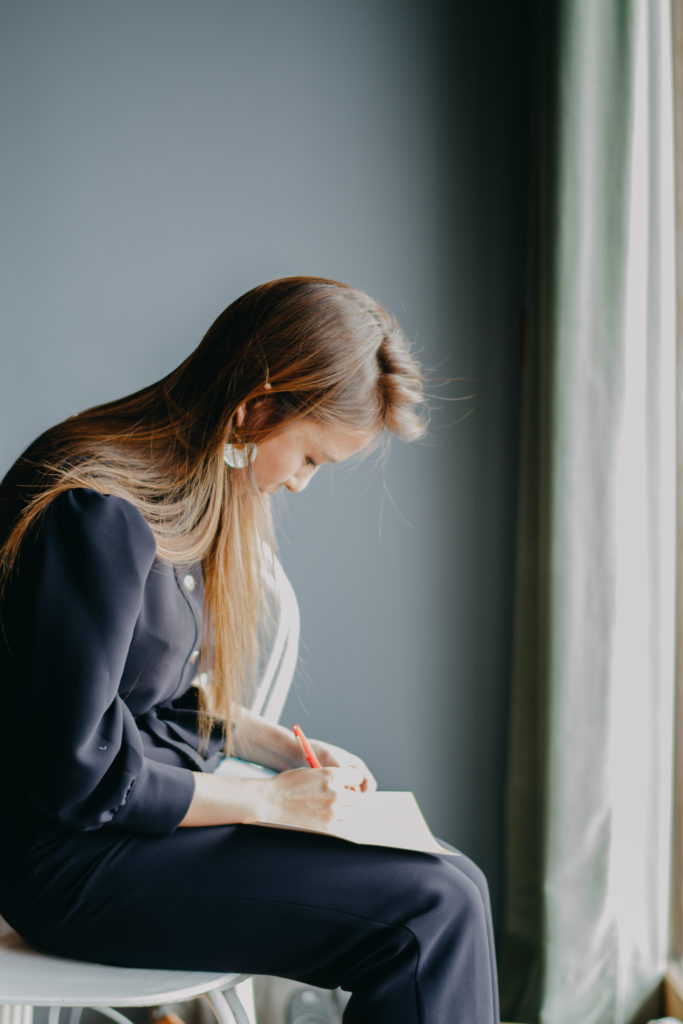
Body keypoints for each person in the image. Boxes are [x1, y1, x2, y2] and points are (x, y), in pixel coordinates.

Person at [0, 277, 499, 1023]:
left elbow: (147, 698)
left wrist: (278, 750)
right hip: (72, 860)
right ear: (257, 406)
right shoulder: (98, 505)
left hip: (138, 823)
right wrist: (271, 803)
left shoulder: (178, 491)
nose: (298, 484)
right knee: (428, 912)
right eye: (309, 460)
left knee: (455, 883)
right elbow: (78, 772)